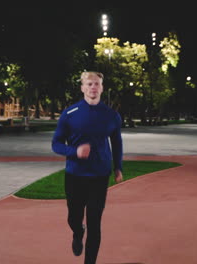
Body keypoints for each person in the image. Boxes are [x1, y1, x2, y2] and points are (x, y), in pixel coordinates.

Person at [52, 71, 123, 264]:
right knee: (74, 218)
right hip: (75, 175)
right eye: (89, 84)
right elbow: (56, 144)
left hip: (100, 176)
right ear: (82, 87)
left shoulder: (111, 116)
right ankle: (77, 231)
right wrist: (75, 151)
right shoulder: (69, 114)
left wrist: (118, 167)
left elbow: (117, 143)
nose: (93, 87)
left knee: (95, 223)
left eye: (97, 84)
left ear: (102, 88)